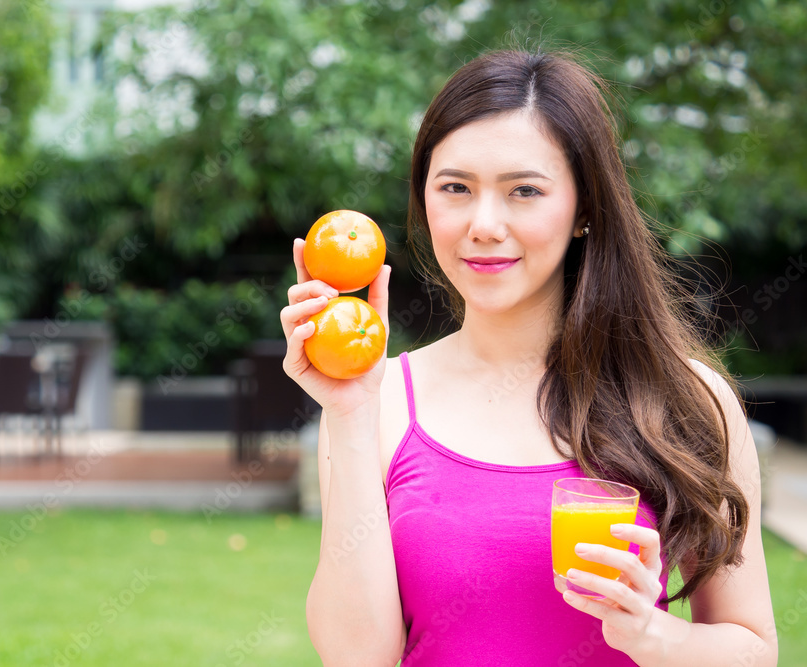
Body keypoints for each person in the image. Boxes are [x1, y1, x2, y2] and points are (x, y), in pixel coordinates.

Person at [280, 49, 778, 666]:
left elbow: (754, 650)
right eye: (456, 188)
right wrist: (349, 412)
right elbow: (358, 658)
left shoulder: (687, 400)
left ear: (584, 210)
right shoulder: (375, 401)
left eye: (525, 191)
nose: (484, 224)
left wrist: (651, 636)